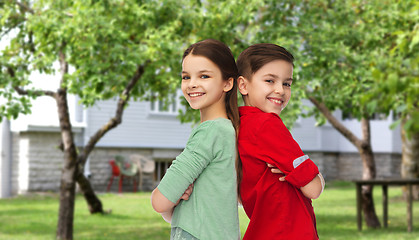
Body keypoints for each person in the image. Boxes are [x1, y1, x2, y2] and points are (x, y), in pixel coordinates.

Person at [151, 39, 240, 240]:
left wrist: (169, 196)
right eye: (186, 77)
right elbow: (171, 213)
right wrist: (174, 199)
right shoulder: (229, 130)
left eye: (204, 76)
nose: (192, 84)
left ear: (228, 83)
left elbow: (160, 202)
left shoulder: (210, 132)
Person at [236, 43, 325, 240]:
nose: (280, 90)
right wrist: (316, 175)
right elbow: (313, 188)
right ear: (243, 85)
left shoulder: (239, 125)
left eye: (287, 83)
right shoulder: (267, 125)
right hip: (289, 232)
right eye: (270, 80)